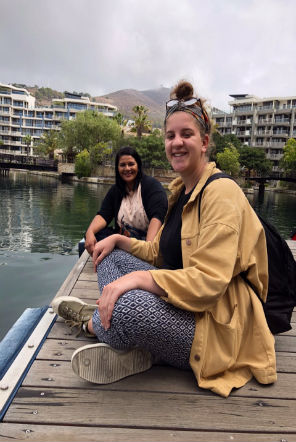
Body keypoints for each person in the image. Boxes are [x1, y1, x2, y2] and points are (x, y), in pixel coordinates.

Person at [53, 80, 277, 398]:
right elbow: (159, 253)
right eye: (171, 135)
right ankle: (130, 336)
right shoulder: (181, 191)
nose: (177, 143)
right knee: (107, 255)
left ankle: (93, 322)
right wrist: (118, 239)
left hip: (214, 323)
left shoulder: (221, 192)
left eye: (187, 134)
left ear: (204, 141)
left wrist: (136, 281)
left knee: (129, 304)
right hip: (180, 300)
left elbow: (209, 283)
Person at [83, 146, 168, 256]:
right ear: (117, 168)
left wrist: (148, 250)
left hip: (146, 240)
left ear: (138, 165)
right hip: (124, 239)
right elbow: (104, 215)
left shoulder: (151, 186)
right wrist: (90, 233)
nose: (127, 169)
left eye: (131, 164)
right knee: (93, 233)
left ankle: (118, 254)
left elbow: (157, 217)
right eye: (122, 165)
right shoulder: (116, 190)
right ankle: (119, 252)